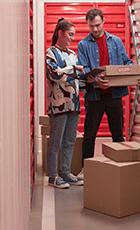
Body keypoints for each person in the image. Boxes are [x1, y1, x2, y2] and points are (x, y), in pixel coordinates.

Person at [76, 8, 137, 180]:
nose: (94, 29)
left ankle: (121, 168)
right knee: (90, 135)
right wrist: (95, 82)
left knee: (117, 134)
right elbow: (84, 68)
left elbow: (127, 62)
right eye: (91, 26)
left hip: (114, 95)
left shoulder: (116, 41)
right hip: (94, 97)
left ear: (103, 21)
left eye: (97, 25)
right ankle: (85, 169)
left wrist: (131, 73)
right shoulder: (83, 44)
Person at [45, 18, 86, 188]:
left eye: (73, 35)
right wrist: (74, 70)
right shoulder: (50, 53)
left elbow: (74, 78)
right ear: (60, 33)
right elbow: (54, 75)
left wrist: (87, 78)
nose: (72, 38)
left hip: (74, 104)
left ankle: (66, 173)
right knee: (56, 141)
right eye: (70, 34)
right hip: (59, 105)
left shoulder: (72, 54)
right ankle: (53, 176)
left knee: (69, 141)